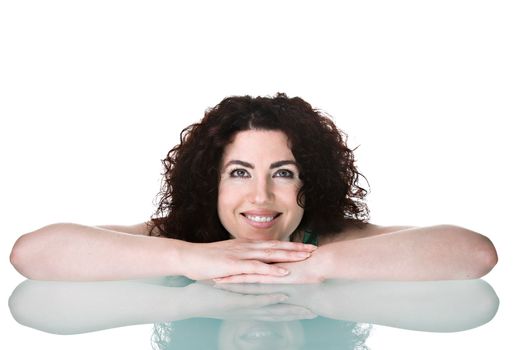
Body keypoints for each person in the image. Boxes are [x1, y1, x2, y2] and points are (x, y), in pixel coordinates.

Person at [9, 93, 498, 283]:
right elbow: (32, 254)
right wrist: (186, 258)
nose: (260, 197)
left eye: (282, 173)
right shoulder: (178, 236)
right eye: (239, 172)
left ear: (312, 182)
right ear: (210, 183)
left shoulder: (324, 239)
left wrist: (315, 265)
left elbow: (474, 254)